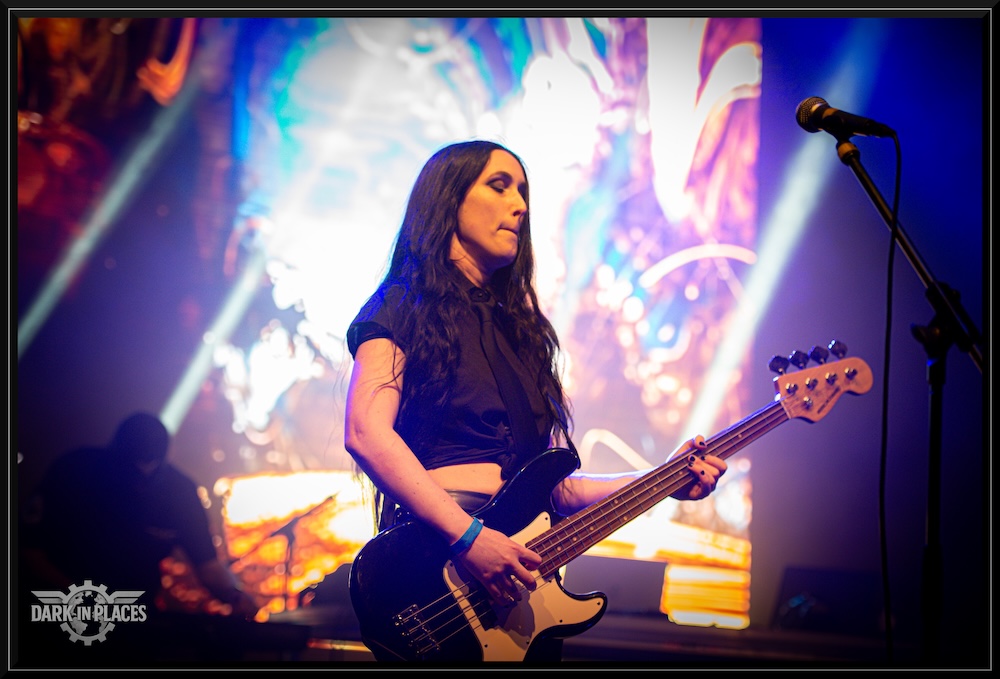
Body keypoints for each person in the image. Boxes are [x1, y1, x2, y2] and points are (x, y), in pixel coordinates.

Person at [343, 140, 727, 662]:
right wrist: (469, 539)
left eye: (523, 191)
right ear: (448, 199)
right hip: (433, 569)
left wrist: (664, 479)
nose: (520, 205)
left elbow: (554, 490)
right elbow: (366, 432)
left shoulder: (521, 333)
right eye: (499, 186)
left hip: (517, 596)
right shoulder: (401, 306)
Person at [19, 412, 259, 664]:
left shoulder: (180, 493)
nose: (142, 474)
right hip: (56, 616)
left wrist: (236, 597)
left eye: (150, 466)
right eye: (133, 467)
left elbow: (207, 565)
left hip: (134, 624)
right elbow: (27, 550)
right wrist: (81, 599)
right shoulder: (73, 471)